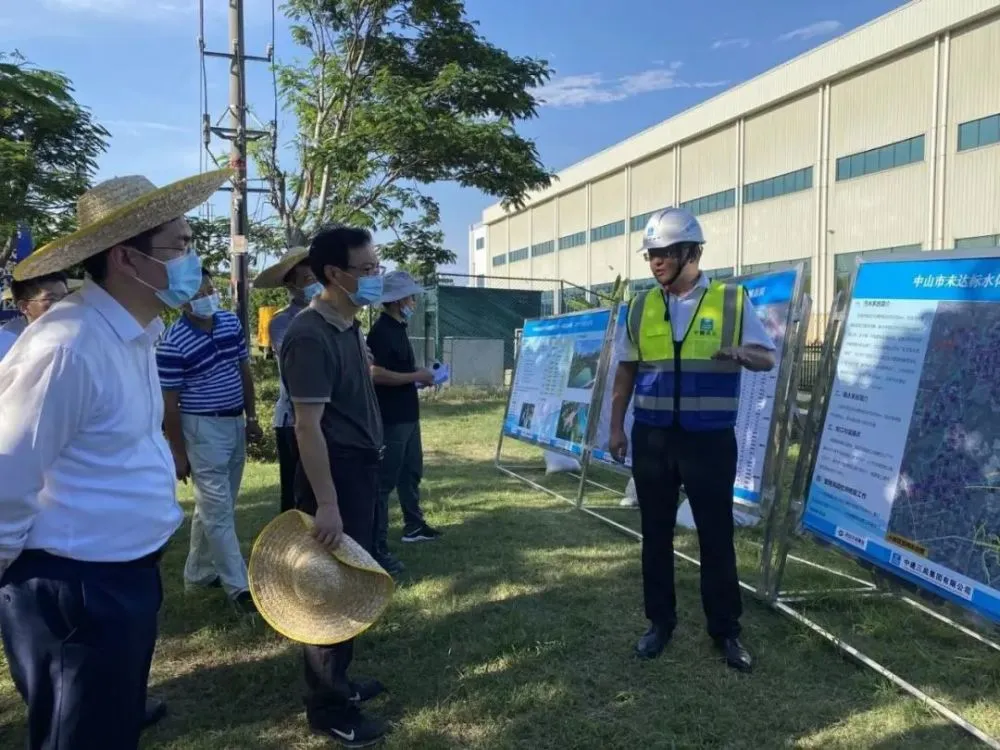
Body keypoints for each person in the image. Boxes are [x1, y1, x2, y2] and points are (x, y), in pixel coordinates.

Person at [0, 168, 230, 749]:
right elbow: (6, 473)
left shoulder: (134, 332)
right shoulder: (67, 346)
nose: (193, 258)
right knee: (75, 736)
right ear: (127, 260)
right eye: (180, 244)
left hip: (121, 578)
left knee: (108, 728)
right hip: (72, 590)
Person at [608, 207, 775, 673]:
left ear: (690, 253)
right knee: (655, 535)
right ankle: (659, 623)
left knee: (716, 536)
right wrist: (616, 426)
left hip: (709, 441)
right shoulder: (641, 306)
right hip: (654, 439)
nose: (655, 262)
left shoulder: (730, 300)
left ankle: (726, 630)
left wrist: (742, 353)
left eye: (663, 253)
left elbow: (767, 359)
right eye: (651, 255)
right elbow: (626, 371)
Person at [280, 225, 390, 746]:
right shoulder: (309, 333)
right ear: (333, 275)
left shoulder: (348, 324)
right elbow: (306, 426)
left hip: (360, 467)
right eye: (366, 269)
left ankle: (339, 683)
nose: (375, 277)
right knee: (328, 589)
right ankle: (326, 707)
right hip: (334, 474)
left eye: (375, 266)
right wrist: (326, 503)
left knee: (354, 582)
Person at [156, 267, 261, 614]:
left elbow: (243, 371)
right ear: (181, 302)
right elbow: (169, 406)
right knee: (218, 511)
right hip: (201, 428)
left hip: (233, 422)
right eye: (198, 293)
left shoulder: (230, 323)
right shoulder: (172, 343)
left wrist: (252, 417)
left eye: (210, 289)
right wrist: (178, 454)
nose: (207, 297)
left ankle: (199, 572)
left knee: (217, 506)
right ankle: (239, 587)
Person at [367, 270, 442, 576]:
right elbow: (374, 373)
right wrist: (414, 377)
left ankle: (414, 525)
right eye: (411, 296)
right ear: (398, 301)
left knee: (411, 472)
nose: (414, 301)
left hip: (408, 414)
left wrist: (418, 378)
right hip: (392, 418)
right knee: (385, 481)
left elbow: (397, 372)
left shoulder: (399, 327)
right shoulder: (381, 331)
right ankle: (377, 544)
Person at [252, 247, 322, 514]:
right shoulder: (282, 322)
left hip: (327, 418)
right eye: (307, 279)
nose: (315, 284)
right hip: (292, 420)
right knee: (296, 494)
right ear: (291, 283)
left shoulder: (333, 316)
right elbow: (300, 364)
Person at [0, 271, 70, 360]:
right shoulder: (6, 344)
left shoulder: (77, 335)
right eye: (52, 299)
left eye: (65, 297)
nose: (63, 304)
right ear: (24, 307)